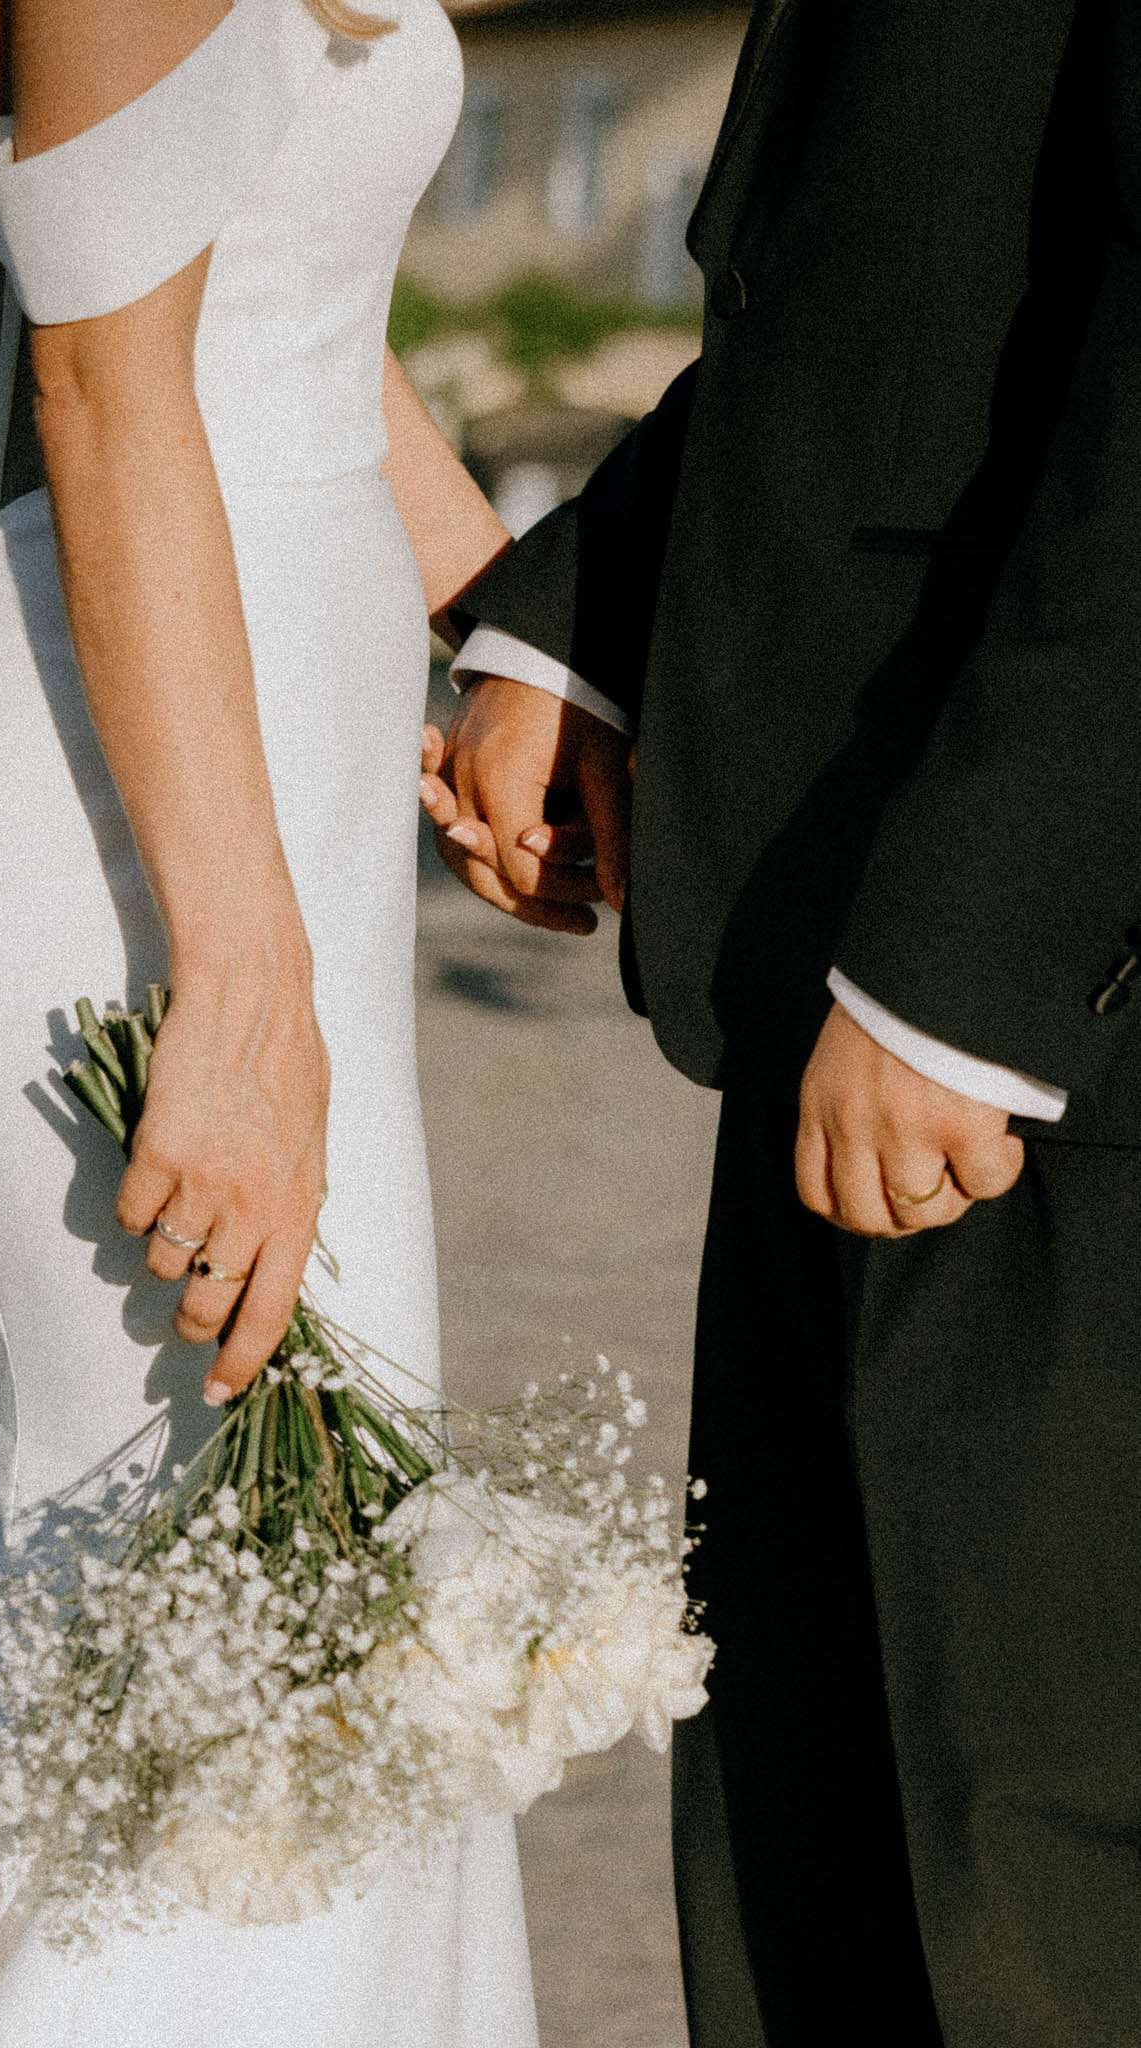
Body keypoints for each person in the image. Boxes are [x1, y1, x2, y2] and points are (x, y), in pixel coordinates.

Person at [0, 0, 542, 2040]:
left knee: (222, 1629)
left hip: (248, 805)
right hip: (136, 849)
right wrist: (244, 983)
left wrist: (514, 625)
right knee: (249, 1635)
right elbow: (113, 397)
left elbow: (279, 306)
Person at [420, 1, 1141, 2042]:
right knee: (803, 1850)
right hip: (830, 941)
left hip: (1029, 1004)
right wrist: (585, 612)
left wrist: (973, 965)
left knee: (1033, 1883)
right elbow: (892, 293)